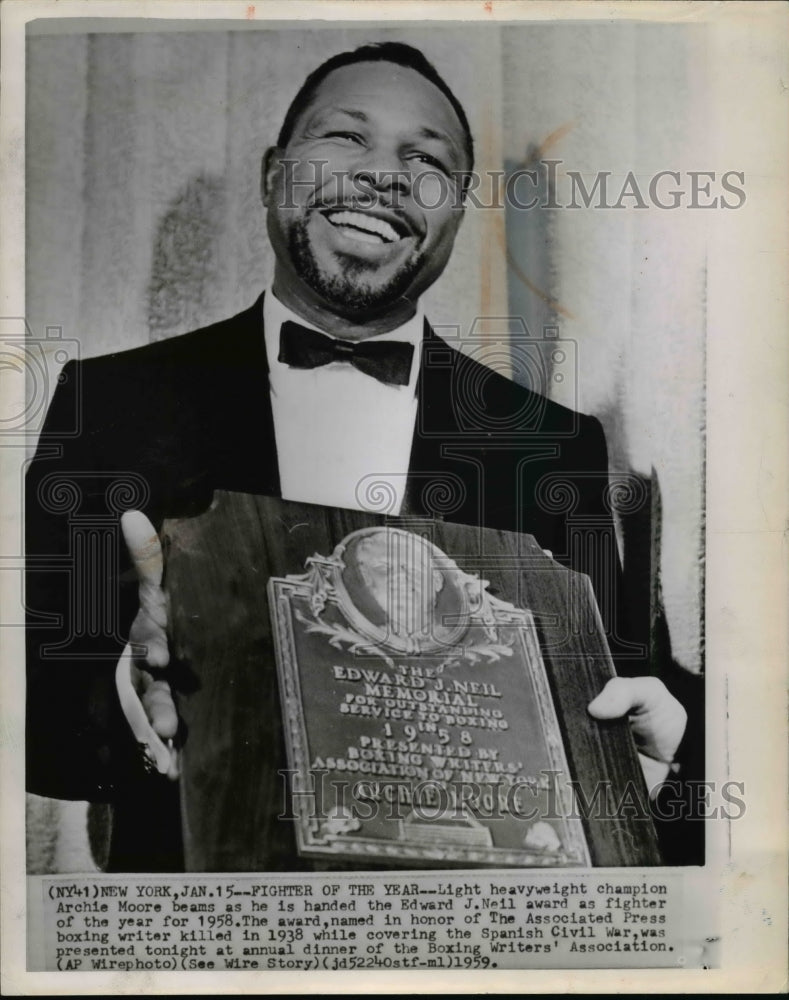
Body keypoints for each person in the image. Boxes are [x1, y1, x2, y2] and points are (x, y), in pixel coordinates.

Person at [25, 42, 701, 870]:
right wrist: (126, 684)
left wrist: (665, 765)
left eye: (425, 160)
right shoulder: (112, 408)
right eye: (345, 139)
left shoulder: (554, 449)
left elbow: (619, 722)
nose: (383, 173)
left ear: (455, 210)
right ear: (274, 175)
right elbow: (44, 721)